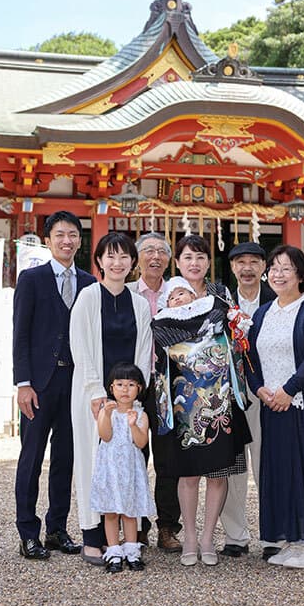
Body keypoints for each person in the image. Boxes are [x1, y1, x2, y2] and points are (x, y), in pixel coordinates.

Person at [245, 245, 304, 569]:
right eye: (273, 267)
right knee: (279, 471)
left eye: (286, 268)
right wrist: (259, 388)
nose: (278, 273)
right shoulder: (262, 313)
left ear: (300, 274)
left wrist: (289, 389)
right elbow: (250, 357)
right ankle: (290, 537)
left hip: (303, 404)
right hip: (272, 404)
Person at [151, 276, 252, 567]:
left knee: (218, 475)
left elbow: (233, 347)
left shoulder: (216, 313)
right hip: (185, 413)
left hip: (219, 405)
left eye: (184, 293)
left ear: (195, 296)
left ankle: (208, 537)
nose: (179, 299)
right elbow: (161, 370)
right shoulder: (162, 325)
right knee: (188, 477)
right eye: (173, 296)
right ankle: (191, 538)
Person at [13, 211, 96, 560]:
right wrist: (23, 384)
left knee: (66, 458)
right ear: (48, 240)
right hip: (40, 385)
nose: (67, 240)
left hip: (75, 382)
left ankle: (57, 529)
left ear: (80, 239)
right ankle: (27, 533)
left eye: (73, 234)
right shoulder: (31, 279)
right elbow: (20, 334)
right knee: (31, 458)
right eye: (60, 234)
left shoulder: (91, 282)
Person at [69, 232, 153, 566]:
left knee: (130, 465)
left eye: (124, 257)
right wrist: (96, 393)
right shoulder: (88, 297)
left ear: (133, 263)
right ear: (99, 261)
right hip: (96, 398)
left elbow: (145, 349)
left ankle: (130, 540)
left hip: (129, 399)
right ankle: (94, 538)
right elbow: (81, 346)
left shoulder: (140, 304)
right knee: (95, 463)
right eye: (110, 256)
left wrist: (134, 394)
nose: (117, 263)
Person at [218, 241, 283, 561]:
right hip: (228, 394)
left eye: (253, 262)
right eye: (240, 262)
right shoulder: (218, 301)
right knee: (233, 467)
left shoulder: (278, 302)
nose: (246, 268)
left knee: (268, 464)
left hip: (266, 393)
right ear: (232, 268)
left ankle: (275, 534)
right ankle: (235, 535)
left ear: (264, 268)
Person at [126, 232, 182, 553]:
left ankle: (168, 528)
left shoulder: (178, 294)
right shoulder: (129, 293)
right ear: (138, 258)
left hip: (168, 386)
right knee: (134, 457)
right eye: (148, 250)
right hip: (136, 385)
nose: (155, 256)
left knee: (168, 460)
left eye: (162, 251)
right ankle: (137, 527)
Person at [89, 362, 156, 573]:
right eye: (119, 384)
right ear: (111, 388)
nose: (125, 389)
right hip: (109, 469)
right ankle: (114, 552)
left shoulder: (141, 414)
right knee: (110, 512)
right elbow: (105, 436)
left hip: (130, 470)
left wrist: (133, 425)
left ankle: (132, 551)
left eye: (130, 384)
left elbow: (141, 442)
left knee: (129, 512)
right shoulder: (105, 411)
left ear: (139, 389)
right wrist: (106, 415)